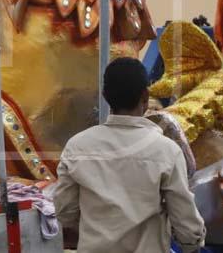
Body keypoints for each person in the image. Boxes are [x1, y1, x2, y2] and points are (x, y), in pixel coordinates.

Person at [54, 57, 206, 252]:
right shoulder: (166, 151)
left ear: (105, 96)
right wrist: (192, 243)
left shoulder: (76, 147)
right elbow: (186, 223)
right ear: (145, 96)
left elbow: (65, 212)